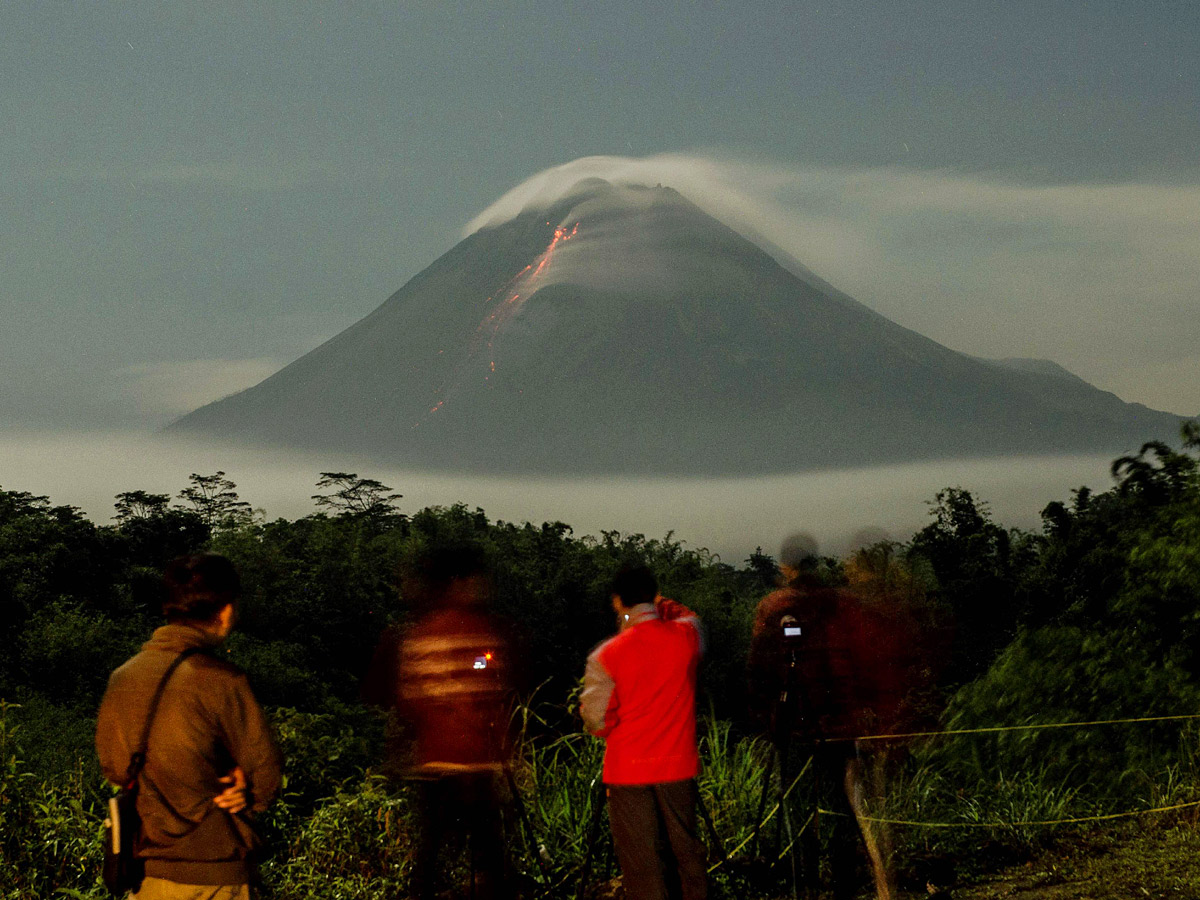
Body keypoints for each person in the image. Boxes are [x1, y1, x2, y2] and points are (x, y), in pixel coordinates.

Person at [96, 553, 282, 900]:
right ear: (225, 611)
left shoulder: (122, 678)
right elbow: (267, 778)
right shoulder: (223, 681)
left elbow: (117, 769)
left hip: (149, 878)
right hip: (219, 875)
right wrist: (243, 784)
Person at [748, 533, 911, 900]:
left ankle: (804, 885)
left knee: (799, 808)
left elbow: (758, 669)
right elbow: (864, 660)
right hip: (840, 723)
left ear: (786, 568)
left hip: (794, 725)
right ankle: (844, 886)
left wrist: (765, 716)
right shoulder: (842, 605)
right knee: (841, 808)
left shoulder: (774, 607)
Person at [362, 544, 518, 900]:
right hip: (477, 763)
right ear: (459, 582)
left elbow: (409, 701)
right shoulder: (481, 631)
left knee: (430, 855)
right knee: (489, 858)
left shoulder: (420, 635)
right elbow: (494, 695)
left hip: (435, 764)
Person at [580, 565, 707, 900]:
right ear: (654, 596)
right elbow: (690, 616)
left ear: (617, 601)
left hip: (627, 769)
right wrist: (658, 602)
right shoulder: (687, 636)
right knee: (687, 852)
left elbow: (595, 719)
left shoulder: (606, 655)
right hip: (677, 764)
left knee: (641, 862)